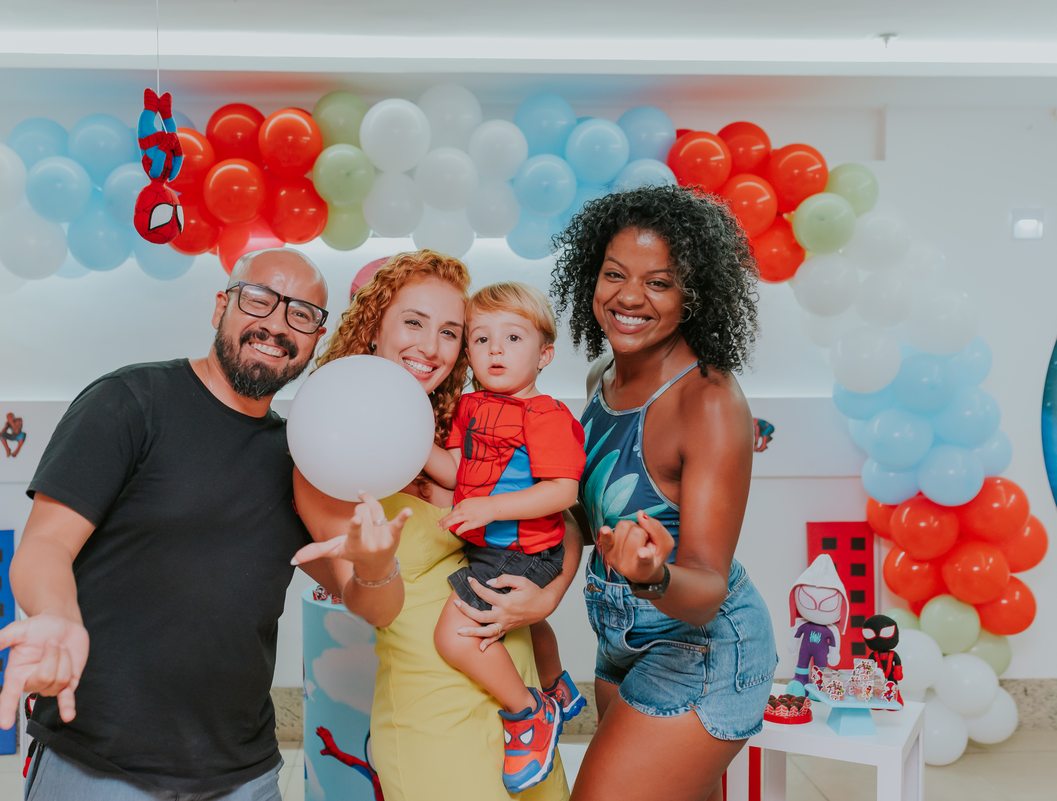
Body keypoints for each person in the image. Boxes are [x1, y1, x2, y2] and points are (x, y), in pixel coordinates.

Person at [0, 248, 399, 800]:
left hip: (243, 776)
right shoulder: (129, 402)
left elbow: (376, 606)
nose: (276, 324)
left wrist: (376, 566)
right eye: (259, 300)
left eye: (301, 315)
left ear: (316, 340)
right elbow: (46, 544)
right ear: (221, 305)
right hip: (100, 766)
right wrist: (56, 614)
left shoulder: (304, 458)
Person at [292, 252, 577, 801]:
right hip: (433, 720)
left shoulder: (458, 425)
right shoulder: (324, 451)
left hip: (524, 722)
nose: (432, 347)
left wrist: (544, 601)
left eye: (451, 331)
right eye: (414, 322)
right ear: (373, 326)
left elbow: (558, 525)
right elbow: (371, 606)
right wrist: (374, 567)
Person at [548, 185, 778, 801]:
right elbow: (581, 503)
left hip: (702, 646)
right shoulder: (601, 375)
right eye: (615, 274)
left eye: (659, 282)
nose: (628, 297)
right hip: (619, 637)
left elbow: (703, 587)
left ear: (693, 295)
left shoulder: (707, 400)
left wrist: (649, 575)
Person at [423, 282, 586, 793]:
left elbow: (562, 491)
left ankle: (529, 715)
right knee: (527, 628)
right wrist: (410, 436)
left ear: (545, 354)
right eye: (481, 338)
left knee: (453, 635)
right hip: (492, 546)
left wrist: (491, 507)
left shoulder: (546, 415)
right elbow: (451, 471)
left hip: (525, 549)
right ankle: (559, 687)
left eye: (513, 338)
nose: (495, 349)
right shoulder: (470, 407)